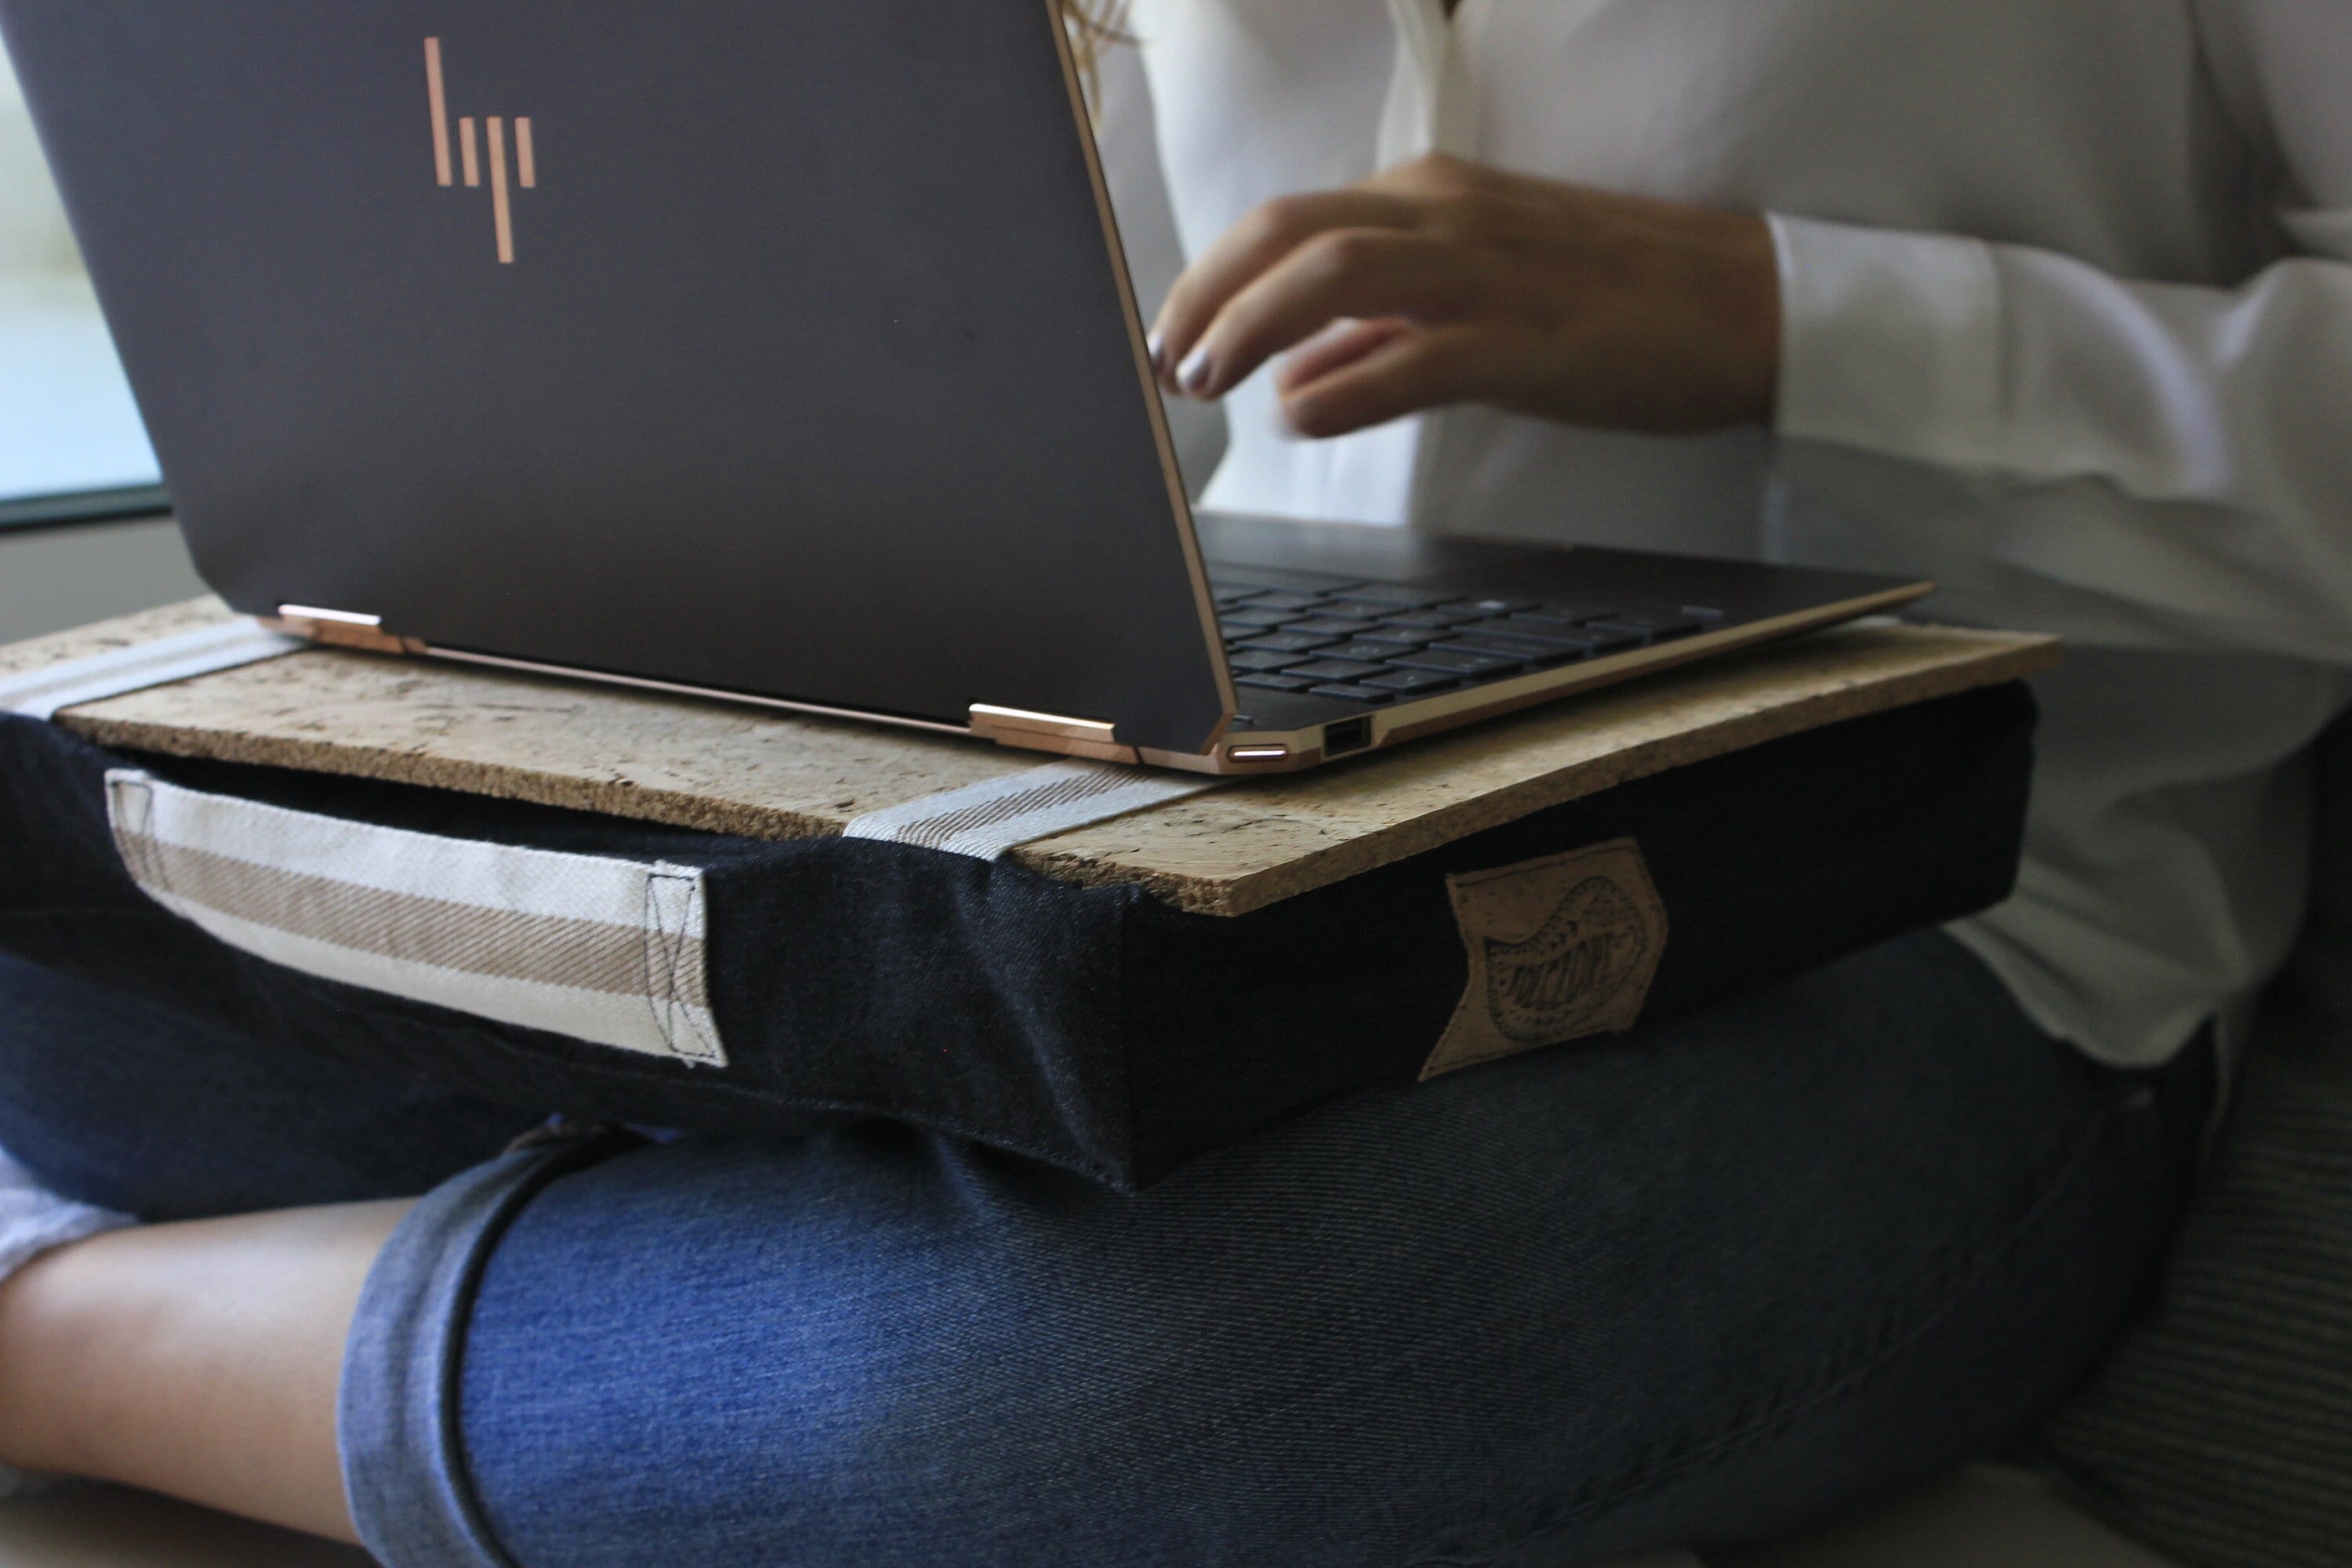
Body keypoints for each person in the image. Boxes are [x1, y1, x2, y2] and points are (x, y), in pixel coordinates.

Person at [0, 3, 2344, 1563]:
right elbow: (1080, 382)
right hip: (1118, 832)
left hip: (1938, 941)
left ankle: (64, 1339)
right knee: (75, 960)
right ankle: (719, 1246)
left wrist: (1795, 320)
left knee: (1180, 1377)